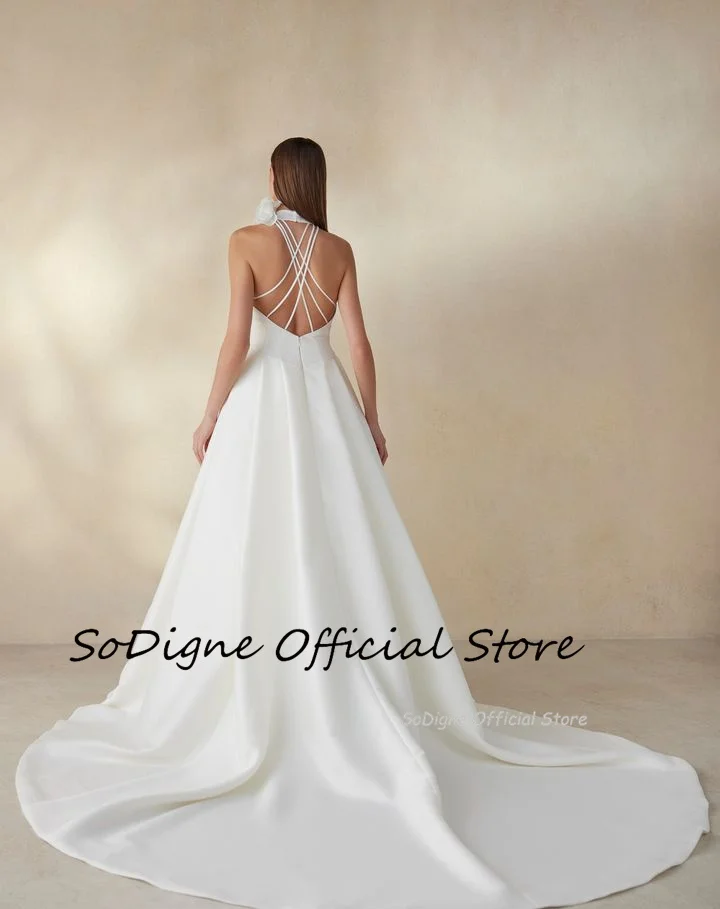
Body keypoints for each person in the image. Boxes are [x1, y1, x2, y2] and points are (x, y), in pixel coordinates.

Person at [16, 137, 709, 909]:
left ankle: (260, 678)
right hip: (328, 407)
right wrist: (371, 420)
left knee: (251, 545)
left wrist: (209, 415)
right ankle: (349, 682)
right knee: (341, 542)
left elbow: (237, 339)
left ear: (276, 177)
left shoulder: (244, 241)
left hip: (262, 408)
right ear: (317, 181)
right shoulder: (340, 249)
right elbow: (358, 344)